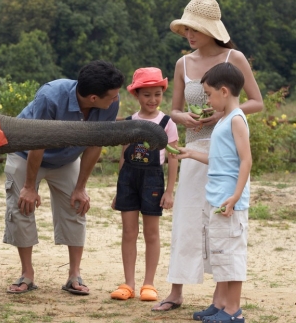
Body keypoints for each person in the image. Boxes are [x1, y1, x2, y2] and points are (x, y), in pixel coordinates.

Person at [152, 0, 263, 312]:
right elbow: (172, 110)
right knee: (186, 221)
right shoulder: (182, 64)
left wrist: (221, 116)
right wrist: (182, 117)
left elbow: (256, 102)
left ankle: (220, 300)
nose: (188, 33)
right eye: (186, 28)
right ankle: (175, 291)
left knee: (219, 223)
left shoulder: (233, 58)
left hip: (225, 152)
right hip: (192, 150)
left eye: (194, 28)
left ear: (210, 30)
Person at [3, 60, 125, 294]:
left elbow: (95, 144)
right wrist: (29, 186)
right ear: (93, 98)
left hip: (67, 157)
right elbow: (37, 142)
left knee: (76, 207)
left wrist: (81, 187)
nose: (116, 99)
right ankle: (26, 275)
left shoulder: (111, 102)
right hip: (26, 153)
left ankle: (74, 275)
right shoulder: (50, 96)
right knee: (22, 208)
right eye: (112, 95)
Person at [174, 62, 251, 322]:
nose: (206, 99)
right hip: (216, 198)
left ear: (224, 91)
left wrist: (236, 196)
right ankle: (220, 304)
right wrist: (191, 153)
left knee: (231, 255)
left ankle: (233, 311)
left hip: (229, 201)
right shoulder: (223, 121)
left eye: (208, 94)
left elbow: (246, 161)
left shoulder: (237, 120)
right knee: (218, 252)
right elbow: (219, 159)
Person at [110, 67, 179, 302]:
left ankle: (148, 283)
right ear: (136, 95)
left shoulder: (167, 123)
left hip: (153, 179)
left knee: (151, 233)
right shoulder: (129, 122)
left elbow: (173, 158)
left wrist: (169, 191)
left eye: (157, 94)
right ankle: (128, 283)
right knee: (129, 232)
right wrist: (118, 189)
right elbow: (123, 155)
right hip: (128, 179)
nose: (153, 99)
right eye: (147, 94)